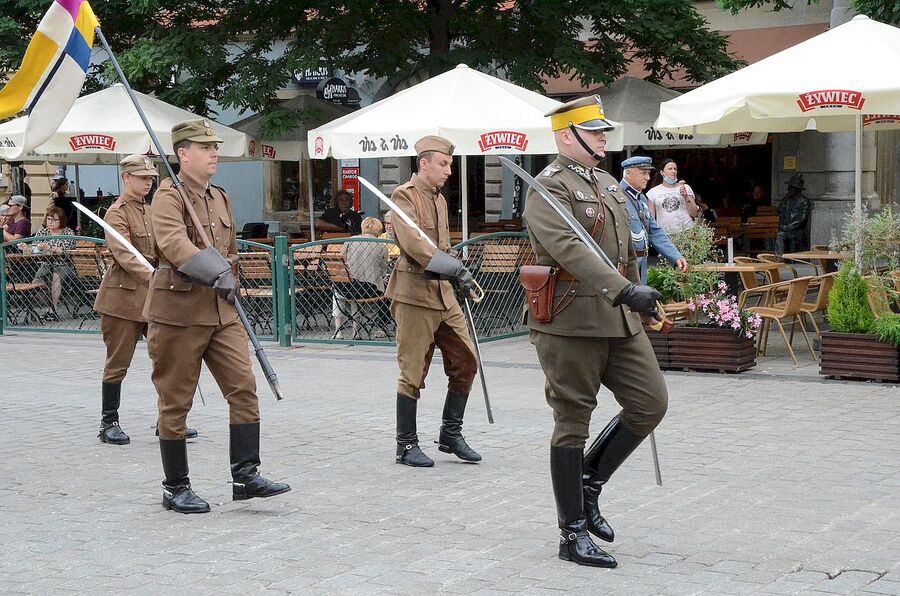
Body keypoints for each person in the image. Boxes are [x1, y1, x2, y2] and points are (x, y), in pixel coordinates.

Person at [522, 95, 668, 568]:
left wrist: (637, 296)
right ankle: (572, 532)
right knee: (572, 421)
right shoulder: (547, 187)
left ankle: (590, 481)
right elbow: (567, 248)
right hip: (569, 319)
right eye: (596, 130)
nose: (605, 137)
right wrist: (625, 290)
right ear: (567, 135)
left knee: (650, 402)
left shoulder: (606, 182)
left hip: (619, 318)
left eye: (604, 130)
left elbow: (623, 248)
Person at [143, 119, 290, 513]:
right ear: (182, 154)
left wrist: (229, 273)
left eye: (215, 147)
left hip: (222, 312)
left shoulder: (219, 196)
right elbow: (174, 244)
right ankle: (175, 486)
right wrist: (215, 271)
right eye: (204, 147)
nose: (213, 153)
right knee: (176, 402)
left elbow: (229, 249)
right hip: (178, 312)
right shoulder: (168, 197)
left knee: (243, 388)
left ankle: (246, 475)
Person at [386, 135, 481, 468]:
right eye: (443, 164)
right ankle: (405, 445)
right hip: (413, 295)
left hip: (443, 294)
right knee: (413, 371)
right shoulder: (404, 197)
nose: (449, 171)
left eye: (450, 164)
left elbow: (442, 245)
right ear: (423, 163)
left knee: (467, 360)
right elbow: (416, 246)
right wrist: (454, 268)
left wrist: (460, 270)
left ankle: (450, 434)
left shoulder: (439, 200)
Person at [93, 155, 199, 445]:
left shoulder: (153, 211)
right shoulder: (116, 213)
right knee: (118, 362)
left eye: (151, 178)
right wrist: (154, 278)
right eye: (142, 178)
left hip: (156, 299)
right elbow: (124, 254)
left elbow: (166, 246)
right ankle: (108, 422)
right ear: (126, 177)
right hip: (123, 299)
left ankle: (167, 422)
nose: (148, 183)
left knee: (167, 359)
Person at [619, 156, 688, 284]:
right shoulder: (616, 197)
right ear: (628, 173)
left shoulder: (641, 199)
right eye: (643, 173)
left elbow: (654, 231)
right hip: (625, 267)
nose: (648, 177)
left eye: (648, 173)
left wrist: (675, 256)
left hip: (641, 264)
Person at [337, 216, 391, 338]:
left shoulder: (350, 241)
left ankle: (339, 330)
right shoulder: (382, 246)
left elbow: (341, 261)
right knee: (387, 289)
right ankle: (379, 326)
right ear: (379, 229)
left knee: (338, 291)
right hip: (371, 290)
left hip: (347, 289)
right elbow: (382, 272)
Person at [28, 207, 75, 318]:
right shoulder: (42, 232)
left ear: (61, 220)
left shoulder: (68, 232)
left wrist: (48, 247)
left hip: (63, 265)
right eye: (49, 219)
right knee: (37, 281)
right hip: (45, 264)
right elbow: (34, 248)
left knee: (55, 277)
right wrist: (36, 248)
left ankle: (52, 309)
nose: (50, 222)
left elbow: (65, 251)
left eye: (54, 220)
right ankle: (43, 308)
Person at [646, 159, 699, 233]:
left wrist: (686, 197)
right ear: (662, 172)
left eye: (675, 169)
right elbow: (651, 218)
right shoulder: (653, 192)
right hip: (665, 233)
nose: (673, 171)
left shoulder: (685, 187)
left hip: (687, 230)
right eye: (670, 169)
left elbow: (694, 213)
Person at [775, 174, 811, 255]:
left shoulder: (804, 201)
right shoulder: (786, 200)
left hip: (797, 231)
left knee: (780, 235)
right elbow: (779, 212)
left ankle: (778, 258)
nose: (788, 189)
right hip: (784, 228)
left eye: (790, 187)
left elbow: (802, 218)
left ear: (797, 189)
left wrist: (787, 226)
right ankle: (768, 256)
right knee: (769, 233)